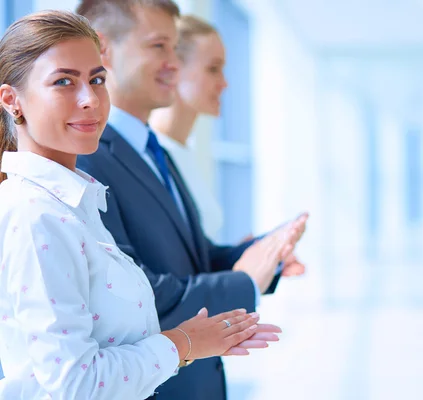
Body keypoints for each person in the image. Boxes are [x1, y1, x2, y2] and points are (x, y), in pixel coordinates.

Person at [0, 10, 282, 399]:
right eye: (64, 81)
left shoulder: (77, 203)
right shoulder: (37, 215)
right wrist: (183, 344)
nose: (89, 99)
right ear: (11, 100)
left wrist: (198, 339)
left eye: (96, 80)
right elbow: (74, 385)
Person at [74, 1, 307, 398]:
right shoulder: (87, 157)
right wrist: (244, 281)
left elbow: (192, 256)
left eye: (175, 48)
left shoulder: (150, 148)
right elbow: (135, 295)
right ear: (103, 51)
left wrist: (264, 253)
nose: (174, 63)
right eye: (158, 46)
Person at [149, 15, 307, 275]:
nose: (224, 83)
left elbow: (195, 259)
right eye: (213, 69)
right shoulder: (150, 156)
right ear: (172, 69)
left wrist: (256, 255)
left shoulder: (184, 154)